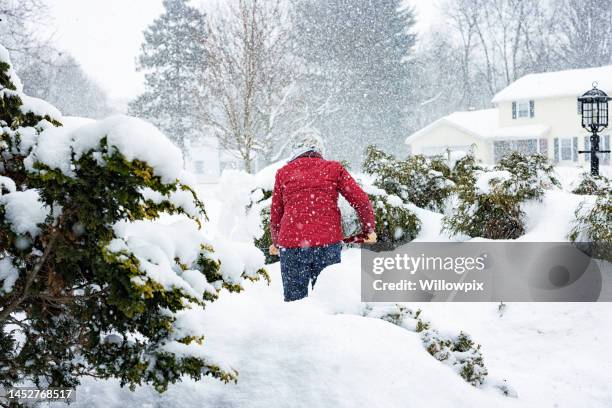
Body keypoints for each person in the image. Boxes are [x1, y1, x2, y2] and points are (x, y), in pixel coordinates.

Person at [269, 130, 377, 302]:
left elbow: (276, 214)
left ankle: (298, 328)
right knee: (329, 301)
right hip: (327, 245)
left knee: (294, 303)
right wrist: (368, 229)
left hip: (292, 246)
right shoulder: (334, 169)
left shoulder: (284, 173)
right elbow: (361, 200)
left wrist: (275, 242)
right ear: (319, 149)